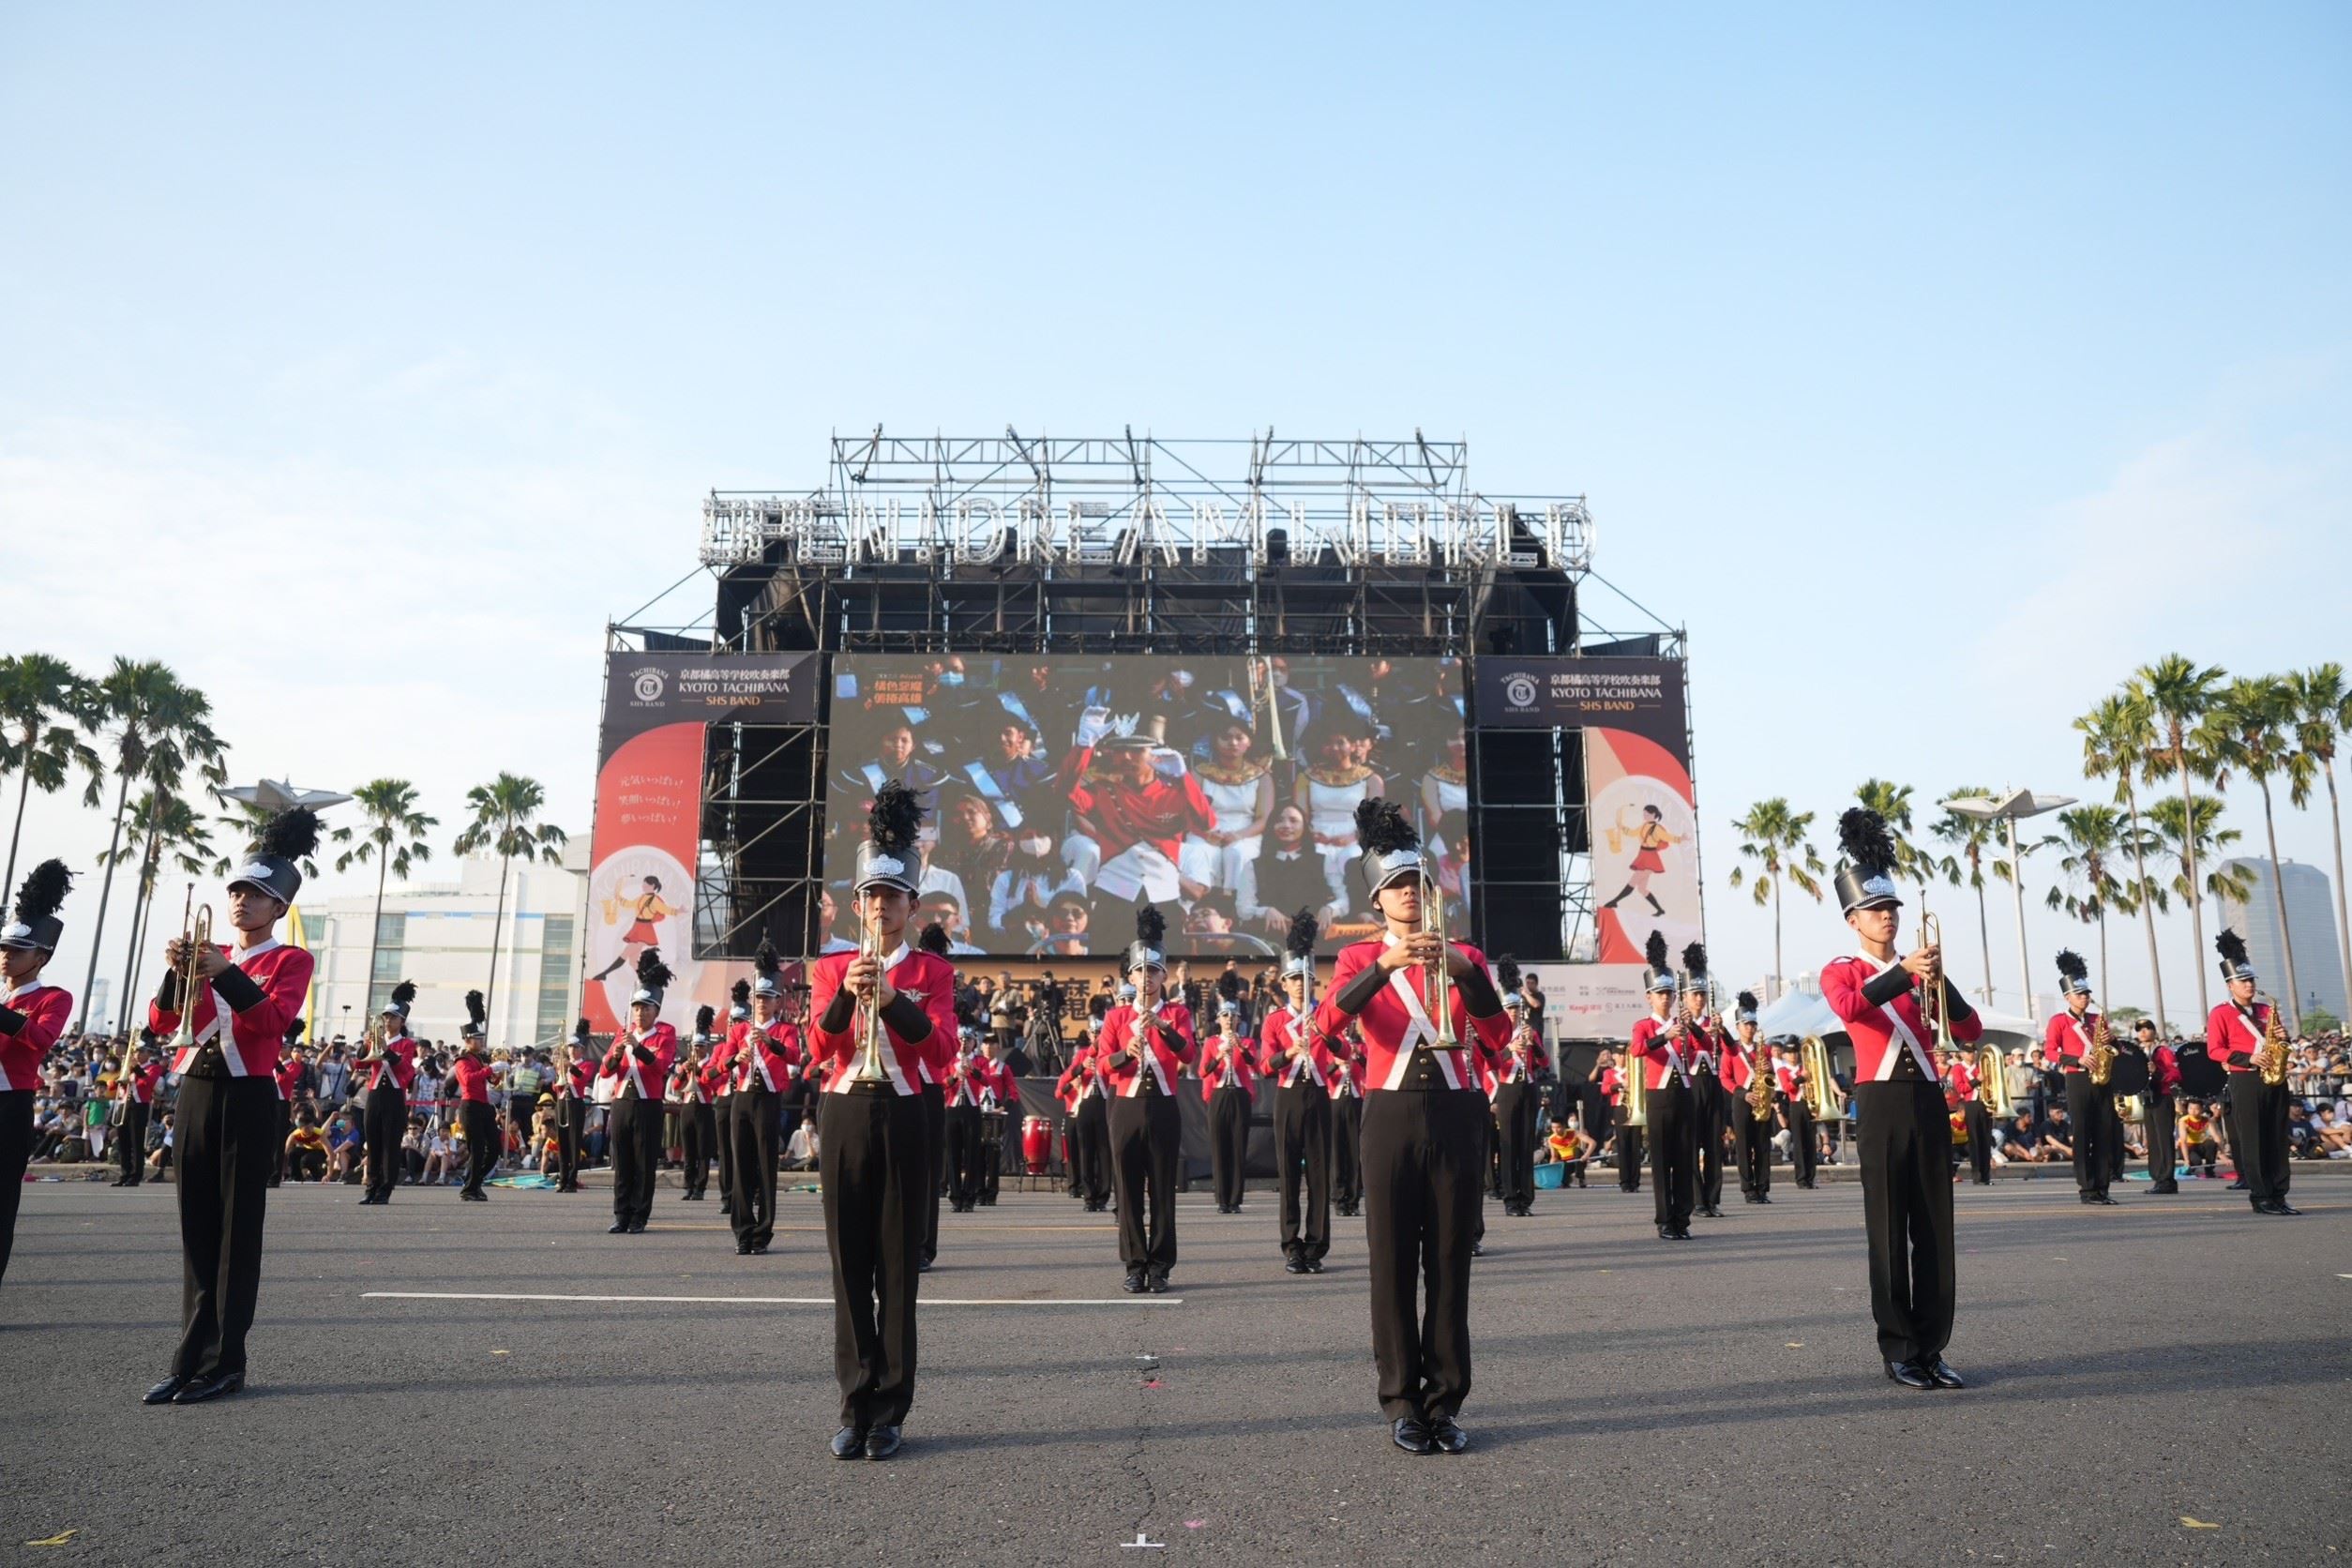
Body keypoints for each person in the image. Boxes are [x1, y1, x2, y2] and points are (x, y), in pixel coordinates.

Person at [1311, 799, 1510, 1456]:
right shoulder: (1358, 959)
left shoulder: (1468, 955)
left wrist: (1464, 973)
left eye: (1418, 885)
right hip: (1389, 1115)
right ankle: (1400, 1400)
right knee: (1392, 1262)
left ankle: (1445, 1402)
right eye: (1396, 887)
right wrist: (1387, 967)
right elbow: (1326, 1024)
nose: (1410, 895)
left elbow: (1500, 1036)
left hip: (1458, 1111)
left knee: (1451, 1262)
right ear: (1378, 900)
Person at [143, 808, 317, 1406]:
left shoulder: (290, 960)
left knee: (236, 1235)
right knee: (196, 1229)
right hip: (195, 1088)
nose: (243, 902)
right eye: (238, 891)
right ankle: (188, 1359)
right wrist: (177, 973)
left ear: (278, 910)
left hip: (248, 1095)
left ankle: (225, 1362)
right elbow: (162, 1022)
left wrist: (223, 974)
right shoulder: (209, 951)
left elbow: (271, 1022)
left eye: (258, 895)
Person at [807, 780, 957, 1461]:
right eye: (870, 896)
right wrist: (846, 992)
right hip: (844, 1111)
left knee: (897, 1268)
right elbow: (819, 1046)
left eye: (891, 897)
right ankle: (853, 1403)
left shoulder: (931, 969)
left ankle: (891, 1407)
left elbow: (943, 1049)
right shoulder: (832, 965)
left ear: (910, 905)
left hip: (905, 1115)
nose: (879, 907)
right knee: (849, 1268)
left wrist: (895, 997)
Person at [1819, 808, 1980, 1392]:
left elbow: (1970, 1029)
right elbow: (1850, 1008)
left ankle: (1933, 1347)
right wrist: (1905, 972)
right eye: (1876, 910)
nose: (1888, 918)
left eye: (1892, 909)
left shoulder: (1921, 971)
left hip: (1929, 1102)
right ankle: (1900, 1349)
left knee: (1936, 1229)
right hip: (1881, 1101)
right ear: (1853, 917)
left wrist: (1941, 982)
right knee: (1888, 1229)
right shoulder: (1841, 968)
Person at [1093, 904, 1198, 1293]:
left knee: (1163, 1191)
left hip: (1164, 1106)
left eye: (1153, 971)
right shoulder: (1117, 1018)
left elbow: (1188, 1055)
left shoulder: (1178, 1013)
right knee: (1129, 1189)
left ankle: (1161, 1266)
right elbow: (1103, 1064)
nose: (1145, 977)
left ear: (1163, 976)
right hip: (1126, 1108)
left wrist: (1162, 1027)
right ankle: (1135, 1263)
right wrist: (1126, 1053)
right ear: (1130, 975)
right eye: (1139, 971)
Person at [0, 862, 75, 1287]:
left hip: (9, 1105)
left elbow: (40, 1039)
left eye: (17, 951)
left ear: (40, 956)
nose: (6, 956)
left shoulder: (53, 997)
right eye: (3, 949)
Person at [1259, 913, 1334, 1269]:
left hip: (1319, 1093)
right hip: (1288, 1095)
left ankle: (1316, 1246)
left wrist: (1324, 1033)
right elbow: (1263, 1065)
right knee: (1289, 1172)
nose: (1300, 985)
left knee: (1319, 1173)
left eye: (1306, 979)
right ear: (1285, 985)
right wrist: (1288, 1052)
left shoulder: (1325, 1015)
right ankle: (1291, 1245)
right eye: (1293, 980)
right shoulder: (1275, 1020)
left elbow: (1347, 1053)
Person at [2207, 929, 2297, 1216]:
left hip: (2275, 1077)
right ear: (2230, 985)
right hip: (2245, 1079)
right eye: (2243, 981)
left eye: (2251, 979)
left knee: (2278, 1137)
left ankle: (2279, 1194)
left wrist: (2284, 1038)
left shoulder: (2266, 1010)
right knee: (2255, 1139)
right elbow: (2215, 1050)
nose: (2250, 985)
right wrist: (2248, 1058)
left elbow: (2282, 1043)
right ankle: (2261, 1196)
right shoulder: (2221, 1013)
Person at [728, 945, 799, 1256]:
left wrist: (771, 1042)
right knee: (741, 1165)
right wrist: (736, 1058)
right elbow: (721, 1065)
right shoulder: (739, 1029)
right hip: (742, 1098)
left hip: (769, 1100)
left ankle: (763, 1231)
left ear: (777, 1001)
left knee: (766, 1165)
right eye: (758, 997)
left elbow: (795, 1056)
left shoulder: (786, 1029)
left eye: (768, 998)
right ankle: (743, 1232)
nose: (762, 1003)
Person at [600, 953, 679, 1234]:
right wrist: (617, 1053)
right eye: (636, 1008)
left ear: (656, 1011)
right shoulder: (622, 1032)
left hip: (648, 1104)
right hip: (622, 1103)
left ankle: (639, 1216)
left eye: (646, 1008)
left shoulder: (665, 1034)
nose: (640, 1013)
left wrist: (637, 1047)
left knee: (644, 1163)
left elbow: (659, 1066)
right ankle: (621, 1214)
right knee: (621, 1162)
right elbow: (606, 1070)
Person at [1627, 934, 1697, 1241]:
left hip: (1683, 1093)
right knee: (1661, 1161)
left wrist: (1692, 1027)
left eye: (1669, 992)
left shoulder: (1681, 1023)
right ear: (1649, 997)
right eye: (1660, 993)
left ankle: (1682, 1218)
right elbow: (1637, 1049)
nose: (1666, 997)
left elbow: (1702, 1048)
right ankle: (1665, 1220)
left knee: (1684, 1158)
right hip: (1658, 1098)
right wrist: (1666, 1037)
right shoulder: (1645, 1025)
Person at [2039, 951, 2118, 1206]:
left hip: (2102, 1080)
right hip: (2078, 1080)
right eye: (2080, 994)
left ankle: (2103, 1187)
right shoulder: (2058, 1021)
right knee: (2083, 1134)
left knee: (2104, 1133)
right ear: (2067, 997)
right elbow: (2050, 1051)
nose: (2085, 998)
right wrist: (2077, 1059)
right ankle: (2087, 1188)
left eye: (2086, 994)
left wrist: (2112, 1040)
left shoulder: (2098, 1020)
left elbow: (2114, 1049)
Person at [1489, 962, 1549, 1218]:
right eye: (1509, 1008)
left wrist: (1532, 1045)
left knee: (1526, 1143)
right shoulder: (1497, 1035)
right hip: (1508, 1088)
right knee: (1509, 1144)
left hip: (1529, 1087)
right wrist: (1510, 1050)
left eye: (1516, 1008)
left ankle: (1526, 1198)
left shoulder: (1530, 1031)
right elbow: (1490, 1061)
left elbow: (1544, 1062)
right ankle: (1511, 1198)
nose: (1513, 1013)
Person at [352, 981, 418, 1205]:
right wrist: (366, 1044)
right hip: (374, 1095)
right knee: (373, 1141)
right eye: (386, 1017)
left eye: (393, 1017)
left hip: (394, 1095)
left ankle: (385, 1188)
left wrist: (386, 1050)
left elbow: (405, 1069)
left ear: (402, 1021)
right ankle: (371, 1186)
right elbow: (359, 1063)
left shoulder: (407, 1044)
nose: (388, 1021)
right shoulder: (374, 1038)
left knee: (390, 1143)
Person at [1678, 944, 1731, 1219]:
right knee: (1691, 1144)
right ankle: (1697, 1200)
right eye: (1694, 994)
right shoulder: (1677, 1023)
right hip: (1690, 1085)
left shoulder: (1714, 1021)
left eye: (1701, 994)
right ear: (1684, 997)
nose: (1699, 999)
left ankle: (1712, 1199)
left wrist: (1721, 1030)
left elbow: (1730, 1050)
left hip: (1712, 1083)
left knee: (1713, 1144)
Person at [1200, 993, 1258, 1215]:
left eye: (1232, 1016)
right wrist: (1218, 1055)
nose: (1228, 1019)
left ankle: (1235, 1199)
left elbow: (1255, 1065)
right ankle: (1222, 1199)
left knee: (1237, 1145)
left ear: (1238, 1020)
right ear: (1218, 1019)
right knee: (1219, 1145)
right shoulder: (1212, 1042)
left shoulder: (1248, 1041)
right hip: (1219, 1094)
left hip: (1240, 1094)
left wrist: (1241, 1048)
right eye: (1224, 1015)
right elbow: (1203, 1071)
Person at [1721, 992, 1773, 1203]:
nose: (1750, 1028)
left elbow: (1772, 1077)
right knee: (1743, 1146)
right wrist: (1743, 1093)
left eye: (1753, 1024)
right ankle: (1748, 1189)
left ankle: (1763, 1187)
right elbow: (1724, 1077)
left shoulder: (1765, 1049)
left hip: (1762, 1098)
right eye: (1746, 1024)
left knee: (1762, 1145)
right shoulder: (1731, 1050)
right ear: (1738, 1026)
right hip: (1742, 1099)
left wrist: (1769, 1070)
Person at [450, 993, 499, 1202]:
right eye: (478, 1038)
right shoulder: (462, 1060)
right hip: (470, 1106)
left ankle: (474, 1182)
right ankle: (470, 1188)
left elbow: (491, 1081)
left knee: (494, 1148)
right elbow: (468, 1080)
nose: (481, 1041)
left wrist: (496, 1073)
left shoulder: (479, 1058)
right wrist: (489, 1070)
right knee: (477, 1149)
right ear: (468, 1040)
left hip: (484, 1105)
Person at [1056, 1031, 1111, 1212]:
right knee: (1085, 1151)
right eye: (1094, 1033)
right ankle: (1088, 1197)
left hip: (1105, 1102)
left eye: (1100, 1032)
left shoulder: (1111, 1050)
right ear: (1089, 1035)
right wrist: (1082, 1067)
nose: (1097, 1036)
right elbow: (1066, 1078)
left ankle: (1102, 1196)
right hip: (1085, 1104)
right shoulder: (1082, 1054)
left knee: (1104, 1152)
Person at [672, 1006, 720, 1201]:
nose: (697, 1050)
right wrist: (684, 1072)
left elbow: (714, 1084)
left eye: (700, 1046)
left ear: (707, 1046)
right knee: (689, 1149)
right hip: (687, 1108)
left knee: (703, 1150)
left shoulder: (710, 1065)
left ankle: (700, 1187)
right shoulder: (686, 1063)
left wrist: (698, 1072)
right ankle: (688, 1185)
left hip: (703, 1108)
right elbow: (676, 1085)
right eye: (694, 1047)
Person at [114, 1040, 165, 1188]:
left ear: (148, 1054)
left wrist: (135, 1068)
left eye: (141, 1051)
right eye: (136, 1051)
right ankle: (125, 1174)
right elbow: (115, 1084)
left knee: (137, 1142)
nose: (137, 1054)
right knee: (123, 1142)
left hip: (140, 1105)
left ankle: (136, 1175)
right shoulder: (129, 1068)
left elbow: (148, 1083)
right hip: (125, 1104)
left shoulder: (153, 1068)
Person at [1329, 1022, 1365, 1218]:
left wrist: (1357, 1056)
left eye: (1351, 1025)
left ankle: (1353, 1198)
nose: (1347, 1028)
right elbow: (1323, 1072)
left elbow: (1369, 1065)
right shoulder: (1331, 1046)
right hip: (1335, 1099)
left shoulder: (1359, 1046)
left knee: (1354, 1150)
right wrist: (1336, 1063)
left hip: (1355, 1099)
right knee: (1337, 1151)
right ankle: (1338, 1198)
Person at [2141, 1019, 2181, 1194]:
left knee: (2164, 1139)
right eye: (2139, 1029)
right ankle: (2158, 1177)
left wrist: (2156, 1071)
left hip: (2162, 1097)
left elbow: (2176, 1074)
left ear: (2154, 1032)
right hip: (2147, 1099)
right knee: (2154, 1140)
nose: (2143, 1032)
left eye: (2147, 1028)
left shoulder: (2163, 1051)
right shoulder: (2140, 1052)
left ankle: (2167, 1179)